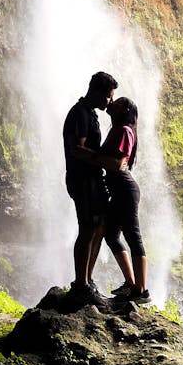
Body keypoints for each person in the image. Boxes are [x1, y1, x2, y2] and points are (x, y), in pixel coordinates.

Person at [62, 71, 118, 305]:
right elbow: (77, 149)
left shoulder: (89, 113)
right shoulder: (80, 114)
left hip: (92, 179)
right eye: (108, 96)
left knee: (98, 227)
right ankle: (81, 285)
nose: (110, 101)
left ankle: (87, 280)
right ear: (95, 91)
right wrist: (105, 161)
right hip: (82, 179)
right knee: (87, 228)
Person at [96, 96, 150, 304]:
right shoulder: (118, 129)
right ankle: (130, 283)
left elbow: (118, 164)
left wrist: (89, 156)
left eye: (117, 102)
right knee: (111, 235)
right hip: (118, 191)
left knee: (133, 237)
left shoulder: (125, 131)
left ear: (125, 110)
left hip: (125, 190)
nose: (111, 103)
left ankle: (141, 290)